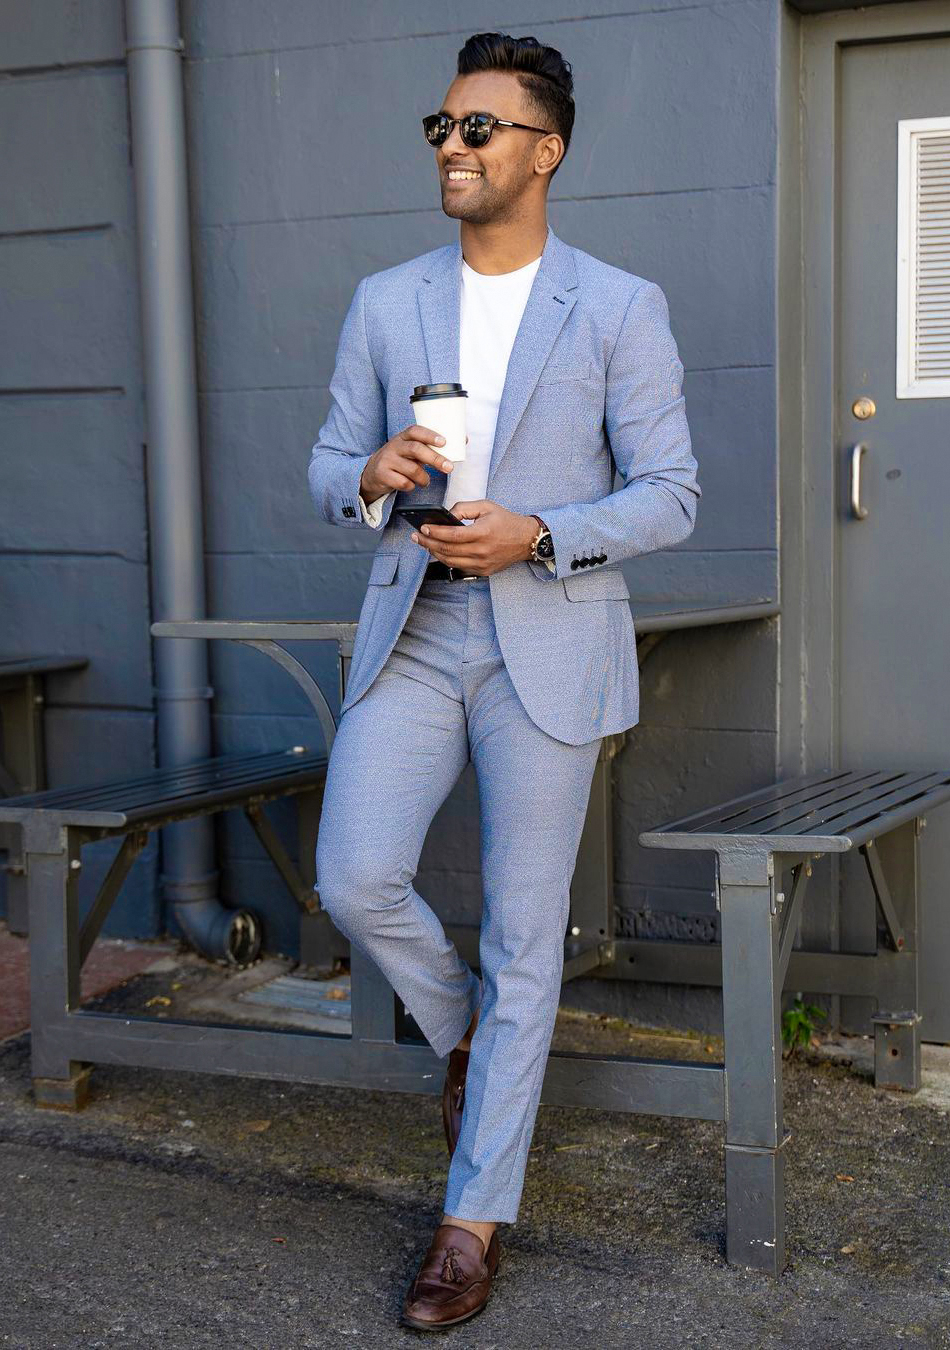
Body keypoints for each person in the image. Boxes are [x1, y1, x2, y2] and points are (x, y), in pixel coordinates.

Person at [307, 30, 700, 1332]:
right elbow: (323, 467)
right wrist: (366, 478)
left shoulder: (619, 303)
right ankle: (469, 1039)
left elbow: (669, 495)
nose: (452, 146)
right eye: (440, 126)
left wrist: (536, 530)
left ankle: (470, 1221)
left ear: (545, 150)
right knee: (354, 874)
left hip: (546, 632)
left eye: (479, 128)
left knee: (529, 934)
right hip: (414, 626)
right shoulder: (384, 299)